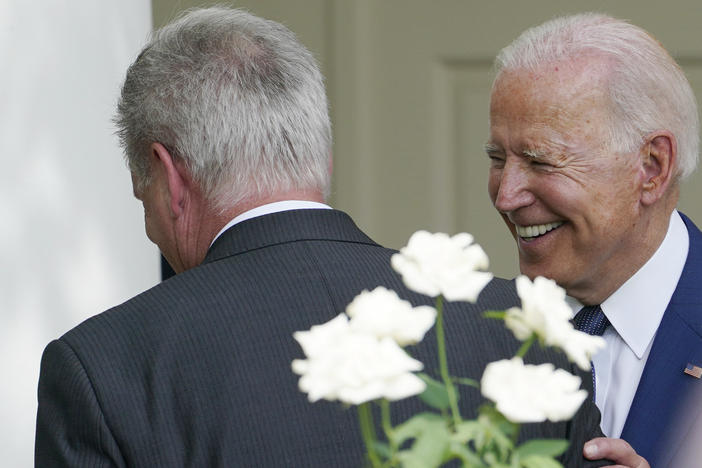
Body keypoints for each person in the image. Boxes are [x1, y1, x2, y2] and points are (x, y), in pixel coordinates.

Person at [34, 6, 634, 467]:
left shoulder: (104, 369)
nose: (150, 227)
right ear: (315, 150)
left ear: (169, 177)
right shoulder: (521, 328)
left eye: (145, 202)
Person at [486, 12, 702, 467]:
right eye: (497, 158)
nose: (507, 196)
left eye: (541, 162)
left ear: (652, 168)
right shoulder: (472, 338)